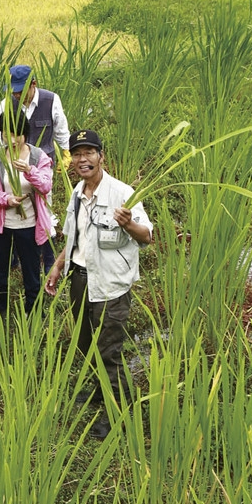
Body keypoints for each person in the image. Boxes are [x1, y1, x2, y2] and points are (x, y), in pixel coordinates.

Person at [44, 130, 152, 440]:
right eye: (77, 154)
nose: (83, 159)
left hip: (111, 287)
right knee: (85, 342)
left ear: (101, 156)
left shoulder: (122, 193)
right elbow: (74, 237)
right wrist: (58, 264)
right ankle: (99, 389)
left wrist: (128, 223)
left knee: (108, 350)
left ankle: (116, 409)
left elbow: (147, 236)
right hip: (80, 279)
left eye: (89, 152)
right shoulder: (78, 192)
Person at [0, 64, 70, 271]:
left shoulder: (50, 100)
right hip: (13, 167)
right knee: (14, 209)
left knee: (45, 209)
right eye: (14, 91)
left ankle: (48, 261)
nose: (17, 95)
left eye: (21, 90)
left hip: (43, 165)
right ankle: (15, 257)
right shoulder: (5, 105)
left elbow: (61, 130)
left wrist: (66, 153)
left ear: (33, 84)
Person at [0, 111, 54, 319]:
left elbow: (46, 186)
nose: (12, 140)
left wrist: (29, 170)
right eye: (6, 134)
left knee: (31, 271)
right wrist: (6, 199)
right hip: (2, 225)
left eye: (17, 134)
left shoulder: (38, 157)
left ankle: (34, 312)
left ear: (25, 133)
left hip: (29, 224)